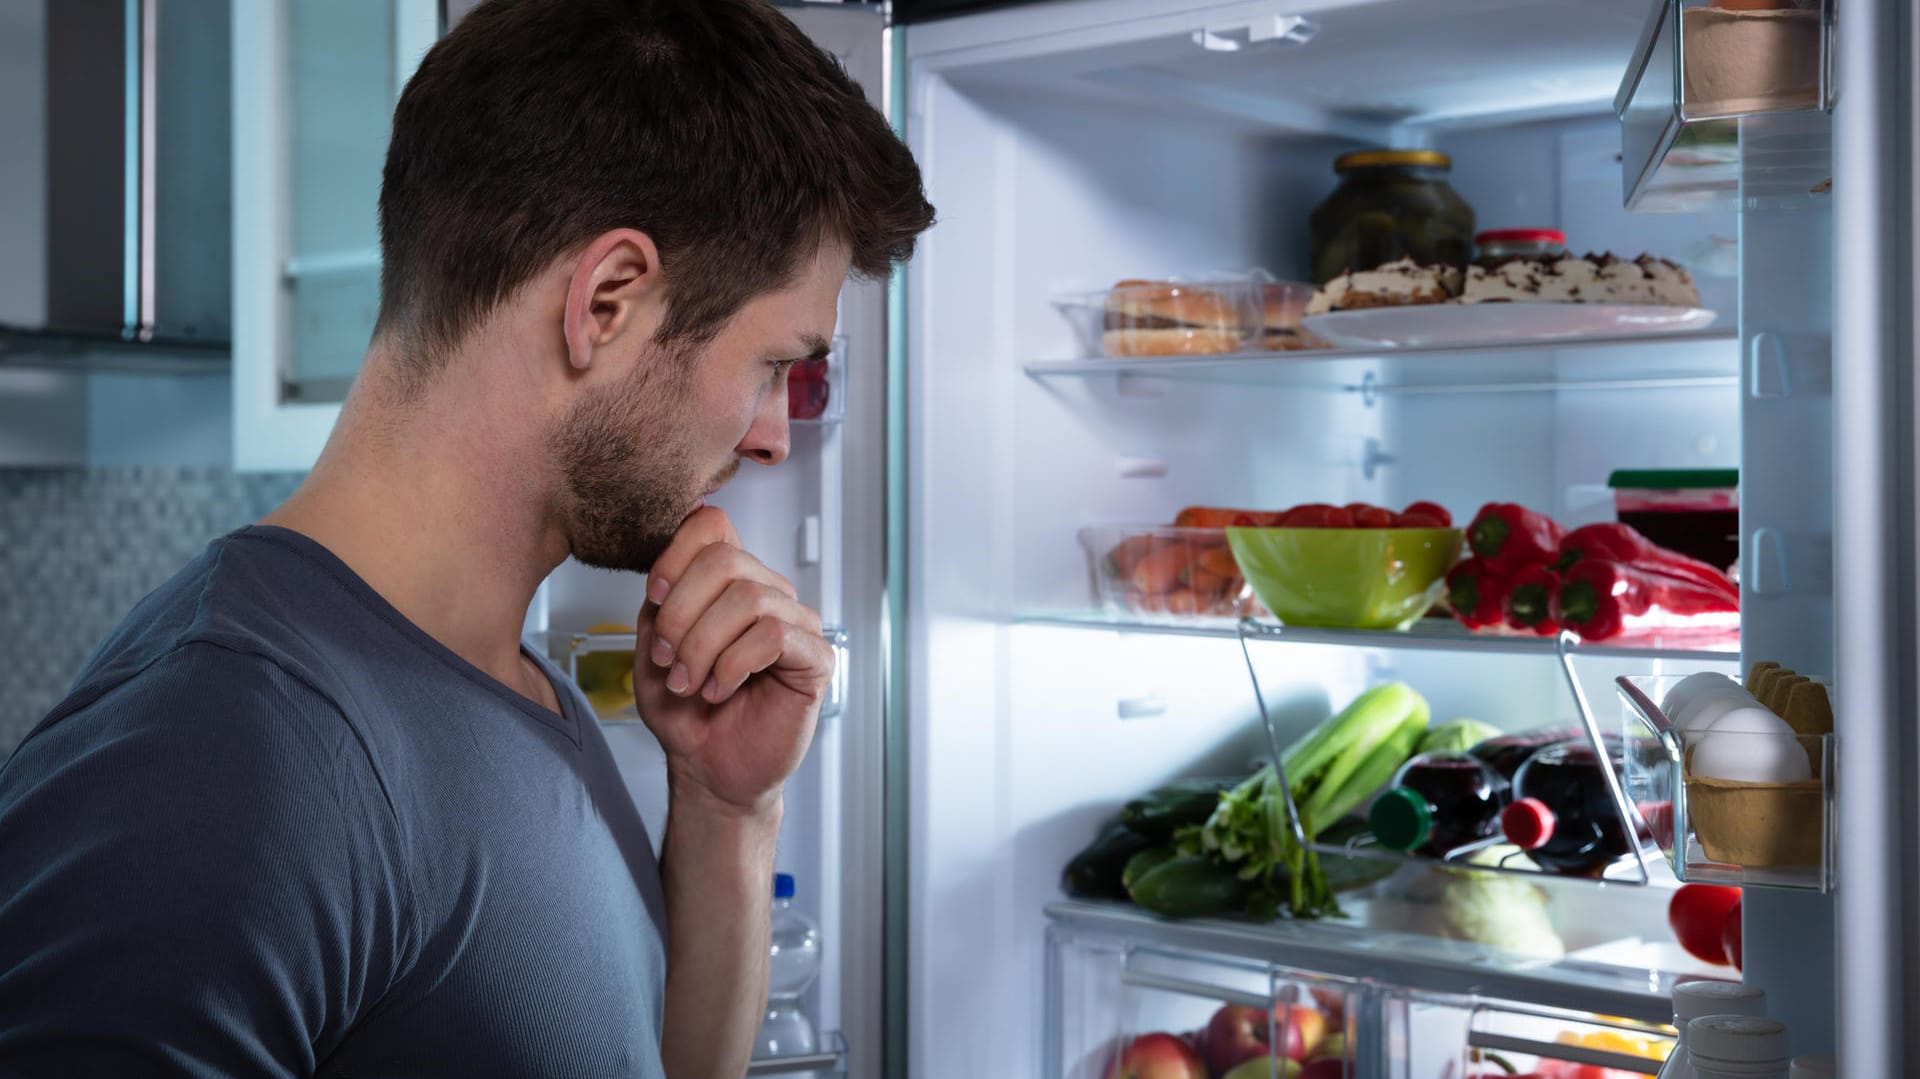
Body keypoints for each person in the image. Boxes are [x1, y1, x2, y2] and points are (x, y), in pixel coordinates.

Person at [0, 1, 933, 1075]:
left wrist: (729, 808)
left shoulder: (516, 685)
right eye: (777, 363)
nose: (773, 436)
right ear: (609, 302)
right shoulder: (222, 758)